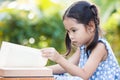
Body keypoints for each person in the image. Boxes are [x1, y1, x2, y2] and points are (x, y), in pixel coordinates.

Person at [41, 1, 120, 80]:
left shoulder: (100, 47)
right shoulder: (83, 47)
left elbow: (84, 75)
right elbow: (67, 66)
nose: (70, 36)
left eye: (74, 30)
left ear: (91, 26)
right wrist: (41, 70)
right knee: (54, 76)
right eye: (68, 31)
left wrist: (59, 58)